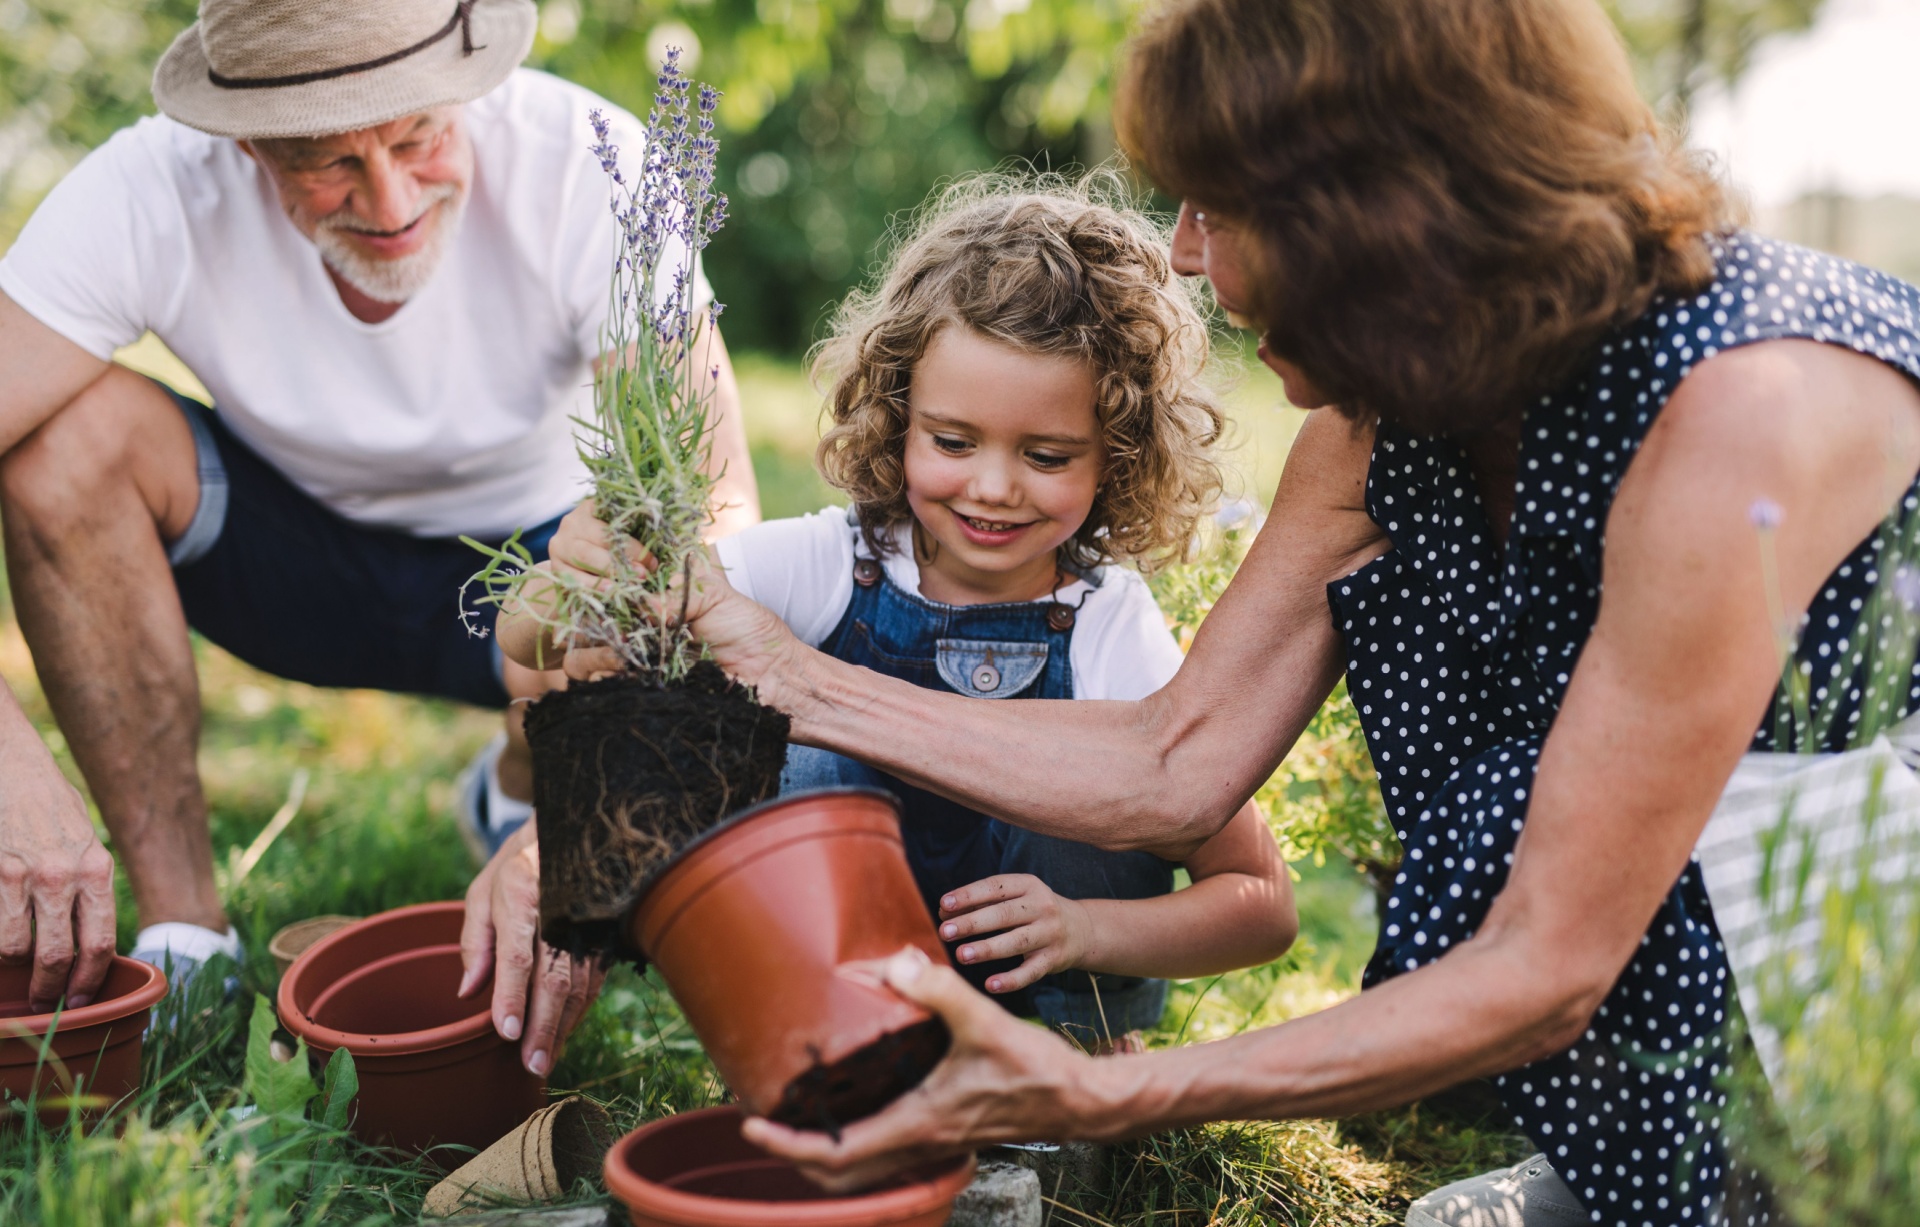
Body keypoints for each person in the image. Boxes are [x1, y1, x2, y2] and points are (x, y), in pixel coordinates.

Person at [520, 0, 1920, 1222]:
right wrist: (776, 677)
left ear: (1388, 210)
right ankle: (1672, 1176)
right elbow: (1176, 756)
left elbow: (1545, 963)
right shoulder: (1391, 420)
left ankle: (1790, 1174)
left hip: (1866, 974)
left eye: (1220, 207)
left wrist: (1096, 1088)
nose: (1183, 257)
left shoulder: (1741, 416)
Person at [0, 0, 756, 1080]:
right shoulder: (150, 188)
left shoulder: (588, 166)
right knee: (58, 444)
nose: (392, 202)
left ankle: (523, 767)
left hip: (536, 584)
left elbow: (719, 519)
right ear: (245, 140)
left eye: (418, 137)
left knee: (650, 563)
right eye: (326, 162)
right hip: (294, 567)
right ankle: (189, 936)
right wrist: (10, 768)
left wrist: (578, 814)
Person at [505, 183, 1298, 1050]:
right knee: (794, 749)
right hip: (845, 1001)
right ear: (897, 418)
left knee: (1104, 780)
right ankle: (820, 1044)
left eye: (1046, 455)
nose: (993, 486)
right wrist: (574, 575)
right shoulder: (825, 565)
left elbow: (1260, 904)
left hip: (1039, 1009)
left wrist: (1088, 929)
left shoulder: (1108, 622)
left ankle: (1082, 1057)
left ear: (1119, 454)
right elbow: (540, 634)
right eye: (953, 442)